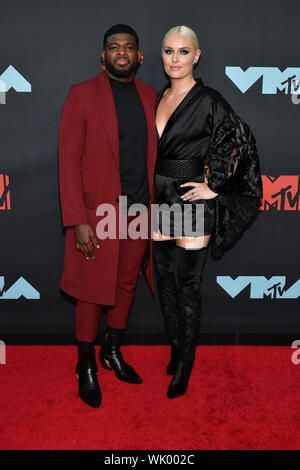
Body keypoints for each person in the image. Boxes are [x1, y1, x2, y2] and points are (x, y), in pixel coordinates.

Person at [152, 26, 263, 399]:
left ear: (196, 56)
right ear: (162, 55)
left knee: (188, 285)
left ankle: (185, 363)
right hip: (159, 197)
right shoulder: (159, 96)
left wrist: (213, 185)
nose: (175, 59)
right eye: (169, 51)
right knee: (165, 280)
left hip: (190, 200)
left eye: (184, 52)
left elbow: (239, 141)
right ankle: (175, 348)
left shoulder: (210, 99)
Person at [58, 24, 157, 408]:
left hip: (139, 210)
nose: (121, 53)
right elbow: (69, 161)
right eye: (114, 47)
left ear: (139, 57)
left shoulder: (150, 96)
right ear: (103, 57)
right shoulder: (82, 95)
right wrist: (77, 219)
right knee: (91, 292)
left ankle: (111, 351)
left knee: (125, 285)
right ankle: (85, 365)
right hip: (96, 213)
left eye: (129, 47)